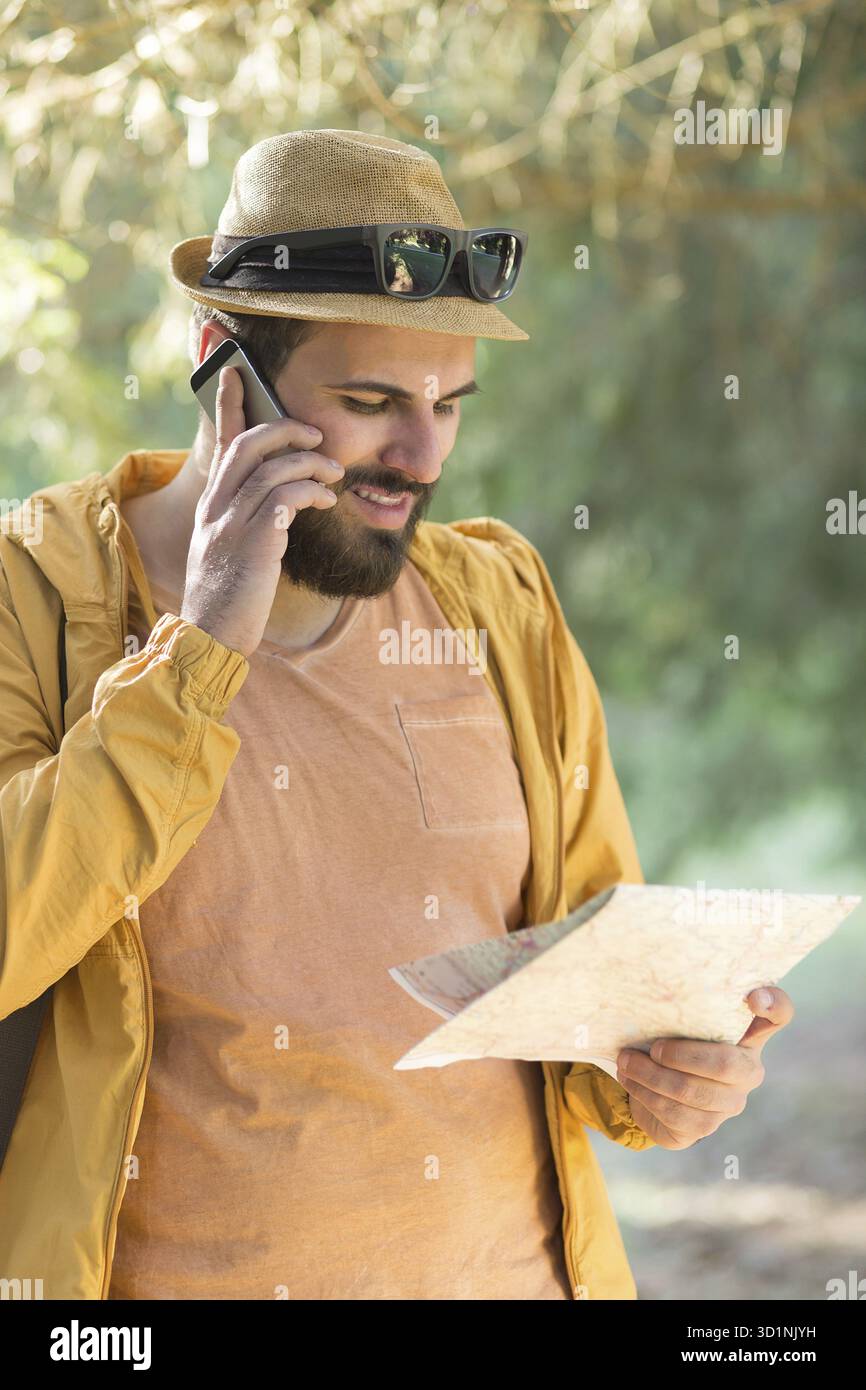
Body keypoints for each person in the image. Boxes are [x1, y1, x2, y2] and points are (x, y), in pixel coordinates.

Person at [0, 128, 790, 1302]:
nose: (419, 457)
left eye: (450, 405)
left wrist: (666, 1075)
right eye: (370, 401)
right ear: (224, 364)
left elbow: (591, 1008)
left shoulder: (500, 602)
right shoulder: (37, 587)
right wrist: (204, 644)